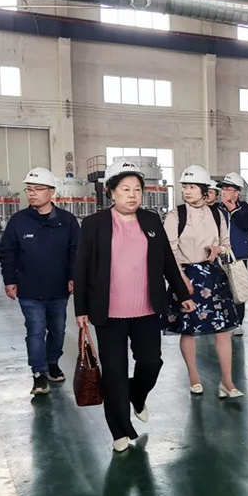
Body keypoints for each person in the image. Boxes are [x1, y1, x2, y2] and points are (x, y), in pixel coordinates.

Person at [74, 160, 193, 453]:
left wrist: (182, 294)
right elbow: (82, 268)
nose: (132, 195)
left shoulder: (151, 221)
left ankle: (137, 395)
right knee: (114, 372)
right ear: (111, 192)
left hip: (147, 310)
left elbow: (167, 262)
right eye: (125, 189)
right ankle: (120, 430)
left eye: (137, 189)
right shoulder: (94, 224)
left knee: (151, 362)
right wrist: (81, 309)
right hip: (109, 312)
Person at [0, 167, 80, 396]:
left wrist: (74, 276)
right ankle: (39, 374)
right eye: (29, 189)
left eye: (38, 189)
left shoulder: (67, 221)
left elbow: (76, 252)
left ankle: (52, 362)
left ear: (52, 192)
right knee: (35, 331)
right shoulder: (19, 221)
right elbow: (7, 253)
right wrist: (9, 280)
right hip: (29, 289)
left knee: (58, 330)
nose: (32, 193)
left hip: (58, 288)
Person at [164, 165, 243, 398]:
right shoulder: (176, 215)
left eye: (192, 187)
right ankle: (193, 376)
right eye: (185, 187)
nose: (187, 191)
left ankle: (227, 381)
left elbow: (227, 245)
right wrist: (180, 281)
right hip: (185, 275)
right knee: (188, 330)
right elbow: (169, 251)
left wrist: (218, 249)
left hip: (213, 277)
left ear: (204, 190)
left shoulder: (217, 215)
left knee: (223, 330)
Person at [218, 172, 248, 337]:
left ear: (237, 193)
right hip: (218, 257)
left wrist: (233, 210)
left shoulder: (245, 209)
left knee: (238, 291)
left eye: (228, 189)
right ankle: (220, 322)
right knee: (219, 291)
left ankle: (237, 323)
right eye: (223, 189)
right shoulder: (217, 209)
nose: (224, 192)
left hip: (238, 258)